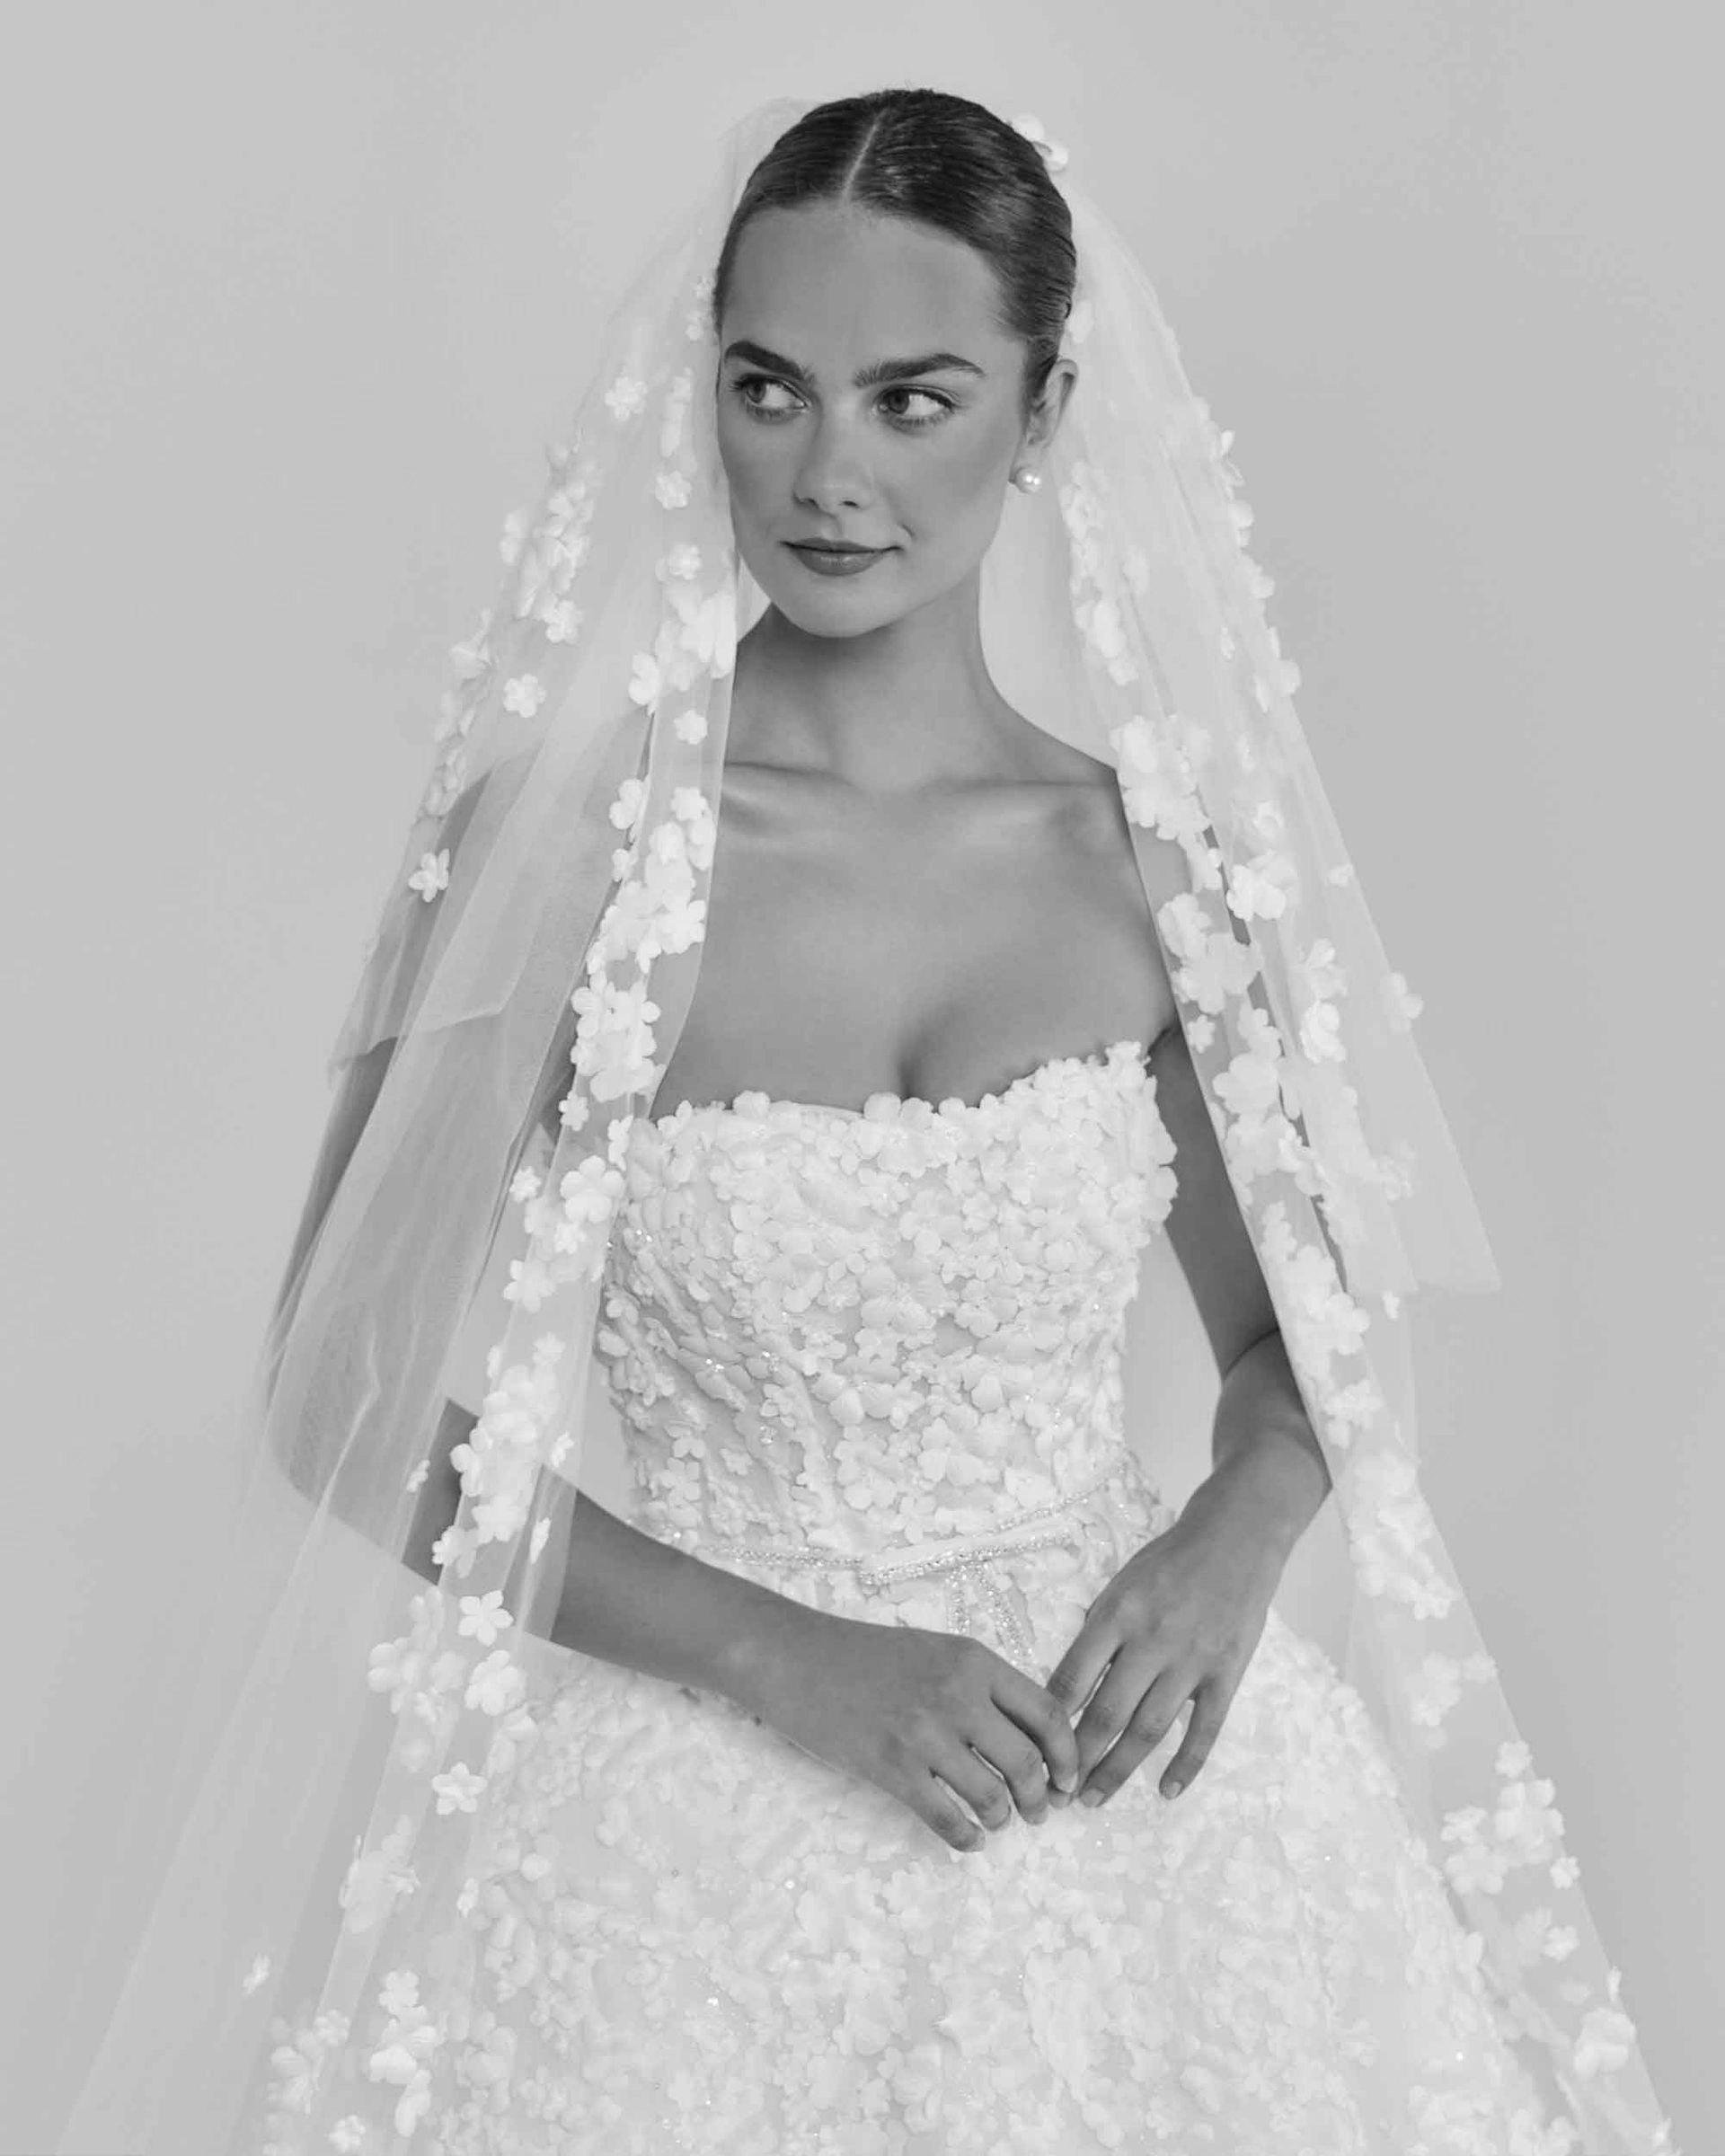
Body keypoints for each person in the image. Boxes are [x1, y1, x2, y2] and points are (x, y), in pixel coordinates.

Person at [50, 88, 1678, 2154]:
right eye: (771, 391)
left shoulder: (1148, 868)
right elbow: (341, 1398)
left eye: (913, 400)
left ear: (1043, 408)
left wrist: (1231, 1536)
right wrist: (789, 1658)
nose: (827, 476)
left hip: (1136, 1785)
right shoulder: (568, 855)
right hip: (692, 1833)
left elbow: (1303, 1352)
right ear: (703, 393)